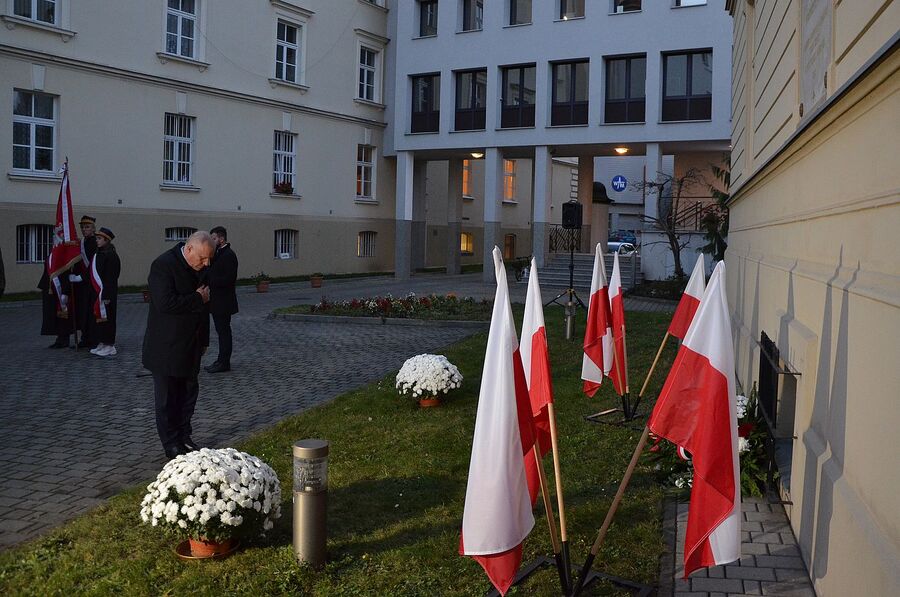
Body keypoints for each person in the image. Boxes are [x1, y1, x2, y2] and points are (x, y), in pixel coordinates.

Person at [142, 231, 215, 459]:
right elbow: (165, 303)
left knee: (188, 394)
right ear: (190, 249)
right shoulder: (163, 266)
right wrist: (196, 298)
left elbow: (205, 306)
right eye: (203, 258)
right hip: (166, 345)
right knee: (167, 399)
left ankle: (184, 435)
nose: (206, 263)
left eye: (209, 259)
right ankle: (171, 443)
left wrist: (204, 339)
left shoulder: (201, 268)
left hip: (191, 343)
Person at [205, 226, 239, 373]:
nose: (212, 241)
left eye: (214, 239)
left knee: (224, 332)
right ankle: (221, 360)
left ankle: (224, 362)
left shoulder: (229, 255)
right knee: (221, 331)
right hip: (217, 300)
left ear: (221, 238)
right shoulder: (218, 253)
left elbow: (229, 279)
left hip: (224, 301)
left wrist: (212, 281)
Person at [89, 227, 121, 357]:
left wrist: (107, 294)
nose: (97, 241)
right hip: (98, 292)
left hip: (107, 293)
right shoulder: (99, 254)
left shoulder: (111, 256)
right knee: (100, 319)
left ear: (106, 240)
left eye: (99, 238)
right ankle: (102, 342)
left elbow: (111, 277)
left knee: (108, 319)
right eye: (96, 238)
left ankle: (110, 345)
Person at [73, 215, 98, 349]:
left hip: (91, 282)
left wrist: (82, 276)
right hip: (82, 285)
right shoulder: (82, 242)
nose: (84, 230)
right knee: (83, 311)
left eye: (87, 227)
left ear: (93, 229)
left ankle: (93, 338)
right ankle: (84, 337)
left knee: (91, 312)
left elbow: (93, 264)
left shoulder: (95, 243)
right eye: (82, 227)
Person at [38, 251, 72, 348]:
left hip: (61, 288)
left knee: (62, 314)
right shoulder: (53, 253)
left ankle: (64, 338)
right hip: (50, 287)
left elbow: (66, 272)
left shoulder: (66, 253)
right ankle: (59, 338)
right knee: (53, 314)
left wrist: (66, 291)